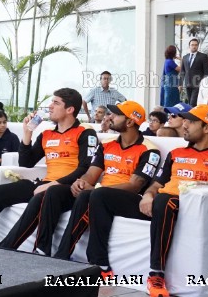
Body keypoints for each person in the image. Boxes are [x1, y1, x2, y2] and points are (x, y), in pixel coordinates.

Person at [88, 105, 208, 297]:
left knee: (165, 200)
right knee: (101, 195)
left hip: (184, 210)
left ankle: (156, 275)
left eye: (190, 122)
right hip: (157, 206)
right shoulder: (175, 154)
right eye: (184, 120)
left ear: (207, 127)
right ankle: (101, 266)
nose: (184, 125)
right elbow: (156, 185)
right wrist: (148, 195)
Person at [0, 88, 99, 244]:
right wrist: (27, 133)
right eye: (51, 102)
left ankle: (5, 247)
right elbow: (26, 163)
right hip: (46, 184)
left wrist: (54, 184)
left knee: (44, 194)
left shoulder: (85, 133)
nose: (50, 106)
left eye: (56, 103)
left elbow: (85, 168)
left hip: (67, 189)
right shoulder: (47, 134)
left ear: (70, 109)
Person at [52, 101, 159, 261]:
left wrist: (97, 190)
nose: (110, 117)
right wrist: (81, 182)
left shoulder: (149, 150)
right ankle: (59, 254)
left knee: (96, 195)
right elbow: (91, 174)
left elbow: (135, 186)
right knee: (61, 191)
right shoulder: (107, 144)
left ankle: (96, 261)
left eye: (116, 115)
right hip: (100, 195)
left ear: (130, 121)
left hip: (129, 199)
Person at [181, 38, 208, 105]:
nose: (194, 46)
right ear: (189, 46)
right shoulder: (185, 57)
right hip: (188, 84)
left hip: (198, 84)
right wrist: (180, 84)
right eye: (192, 45)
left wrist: (204, 83)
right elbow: (182, 71)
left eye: (196, 45)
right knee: (190, 103)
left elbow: (206, 71)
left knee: (192, 103)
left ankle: (191, 115)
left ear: (198, 46)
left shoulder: (203, 56)